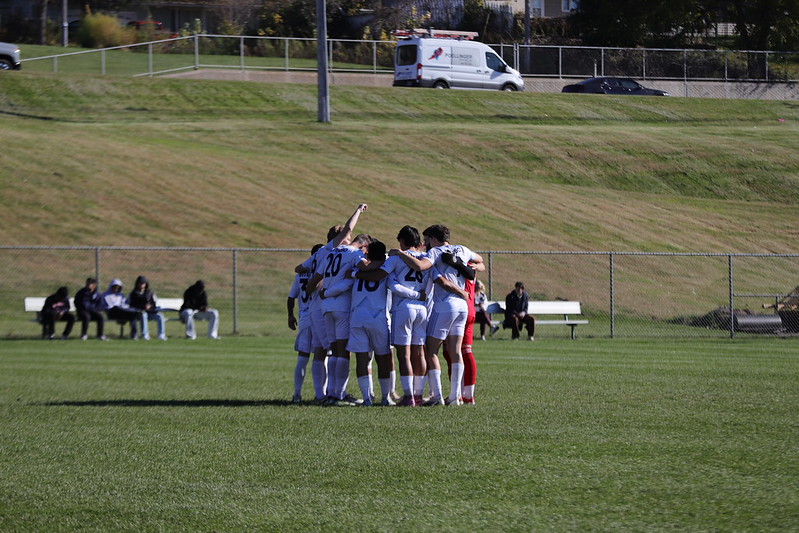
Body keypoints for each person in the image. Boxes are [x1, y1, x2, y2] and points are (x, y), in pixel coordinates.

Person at [390, 224, 483, 406]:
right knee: (456, 351)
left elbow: (420, 266)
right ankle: (455, 397)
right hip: (463, 306)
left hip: (445, 305)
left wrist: (400, 254)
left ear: (433, 239)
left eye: (426, 240)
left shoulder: (436, 252)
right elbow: (480, 262)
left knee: (431, 351)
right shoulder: (462, 249)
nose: (425, 244)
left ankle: (437, 396)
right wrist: (462, 265)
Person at [288, 244, 324, 403]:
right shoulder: (323, 273)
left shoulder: (300, 276)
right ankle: (320, 394)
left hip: (304, 318)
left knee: (302, 359)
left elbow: (291, 297)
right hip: (318, 316)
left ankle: (297, 394)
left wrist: (290, 315)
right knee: (322, 358)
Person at [128, 275, 168, 341]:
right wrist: (142, 307)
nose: (141, 285)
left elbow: (153, 303)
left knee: (160, 316)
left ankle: (161, 335)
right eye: (140, 283)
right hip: (139, 313)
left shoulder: (150, 292)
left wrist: (150, 307)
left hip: (150, 312)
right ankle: (145, 335)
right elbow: (132, 305)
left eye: (143, 283)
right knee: (144, 314)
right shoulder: (133, 293)